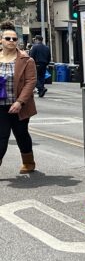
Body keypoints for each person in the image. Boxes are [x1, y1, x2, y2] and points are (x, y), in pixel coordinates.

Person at [0, 22, 37, 173]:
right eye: (7, 38)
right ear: (1, 40)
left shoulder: (26, 60)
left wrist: (20, 102)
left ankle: (28, 162)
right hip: (1, 106)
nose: (11, 41)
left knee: (21, 134)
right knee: (1, 137)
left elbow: (30, 82)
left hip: (19, 105)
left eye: (14, 39)